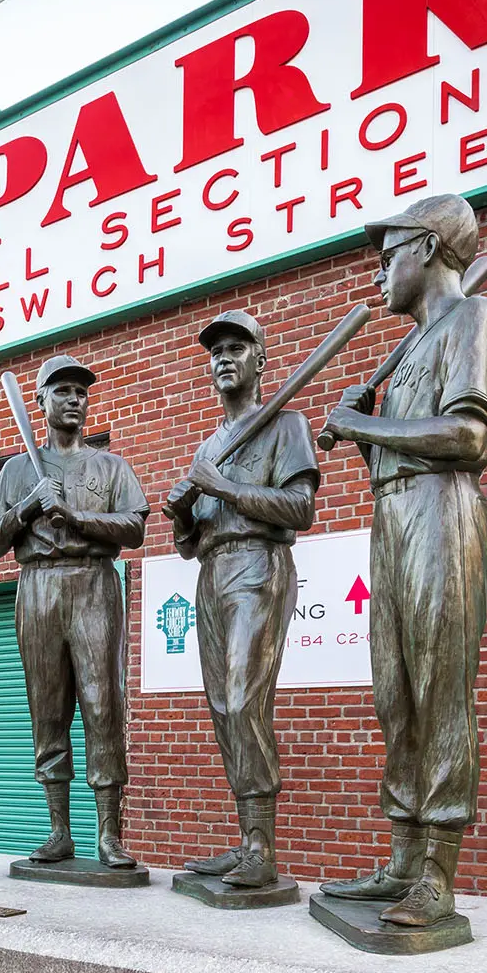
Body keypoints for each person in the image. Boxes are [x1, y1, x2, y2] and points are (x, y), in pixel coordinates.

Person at [319, 193, 487, 926]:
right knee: (394, 694)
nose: (379, 274)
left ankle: (436, 870)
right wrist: (370, 428)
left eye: (388, 254)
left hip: (441, 511)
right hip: (392, 512)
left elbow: (468, 437)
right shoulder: (411, 350)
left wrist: (365, 423)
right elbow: (401, 441)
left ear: (428, 249)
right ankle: (401, 857)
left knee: (439, 690)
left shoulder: (473, 319)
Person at [164, 313, 318, 889]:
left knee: (242, 698)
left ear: (260, 360)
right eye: (216, 352)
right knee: (222, 709)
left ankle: (261, 847)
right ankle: (245, 838)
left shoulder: (285, 425)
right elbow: (189, 545)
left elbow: (299, 509)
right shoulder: (210, 444)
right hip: (212, 571)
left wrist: (222, 486)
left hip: (259, 564)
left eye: (236, 348)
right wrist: (184, 512)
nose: (223, 358)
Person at [0, 354, 148, 868]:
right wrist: (30, 504)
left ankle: (108, 834)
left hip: (94, 582)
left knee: (103, 707)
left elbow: (135, 528)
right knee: (48, 711)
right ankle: (59, 831)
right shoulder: (16, 470)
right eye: (62, 391)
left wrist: (77, 517)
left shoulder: (110, 466)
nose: (74, 399)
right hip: (37, 587)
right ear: (41, 402)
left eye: (80, 391)